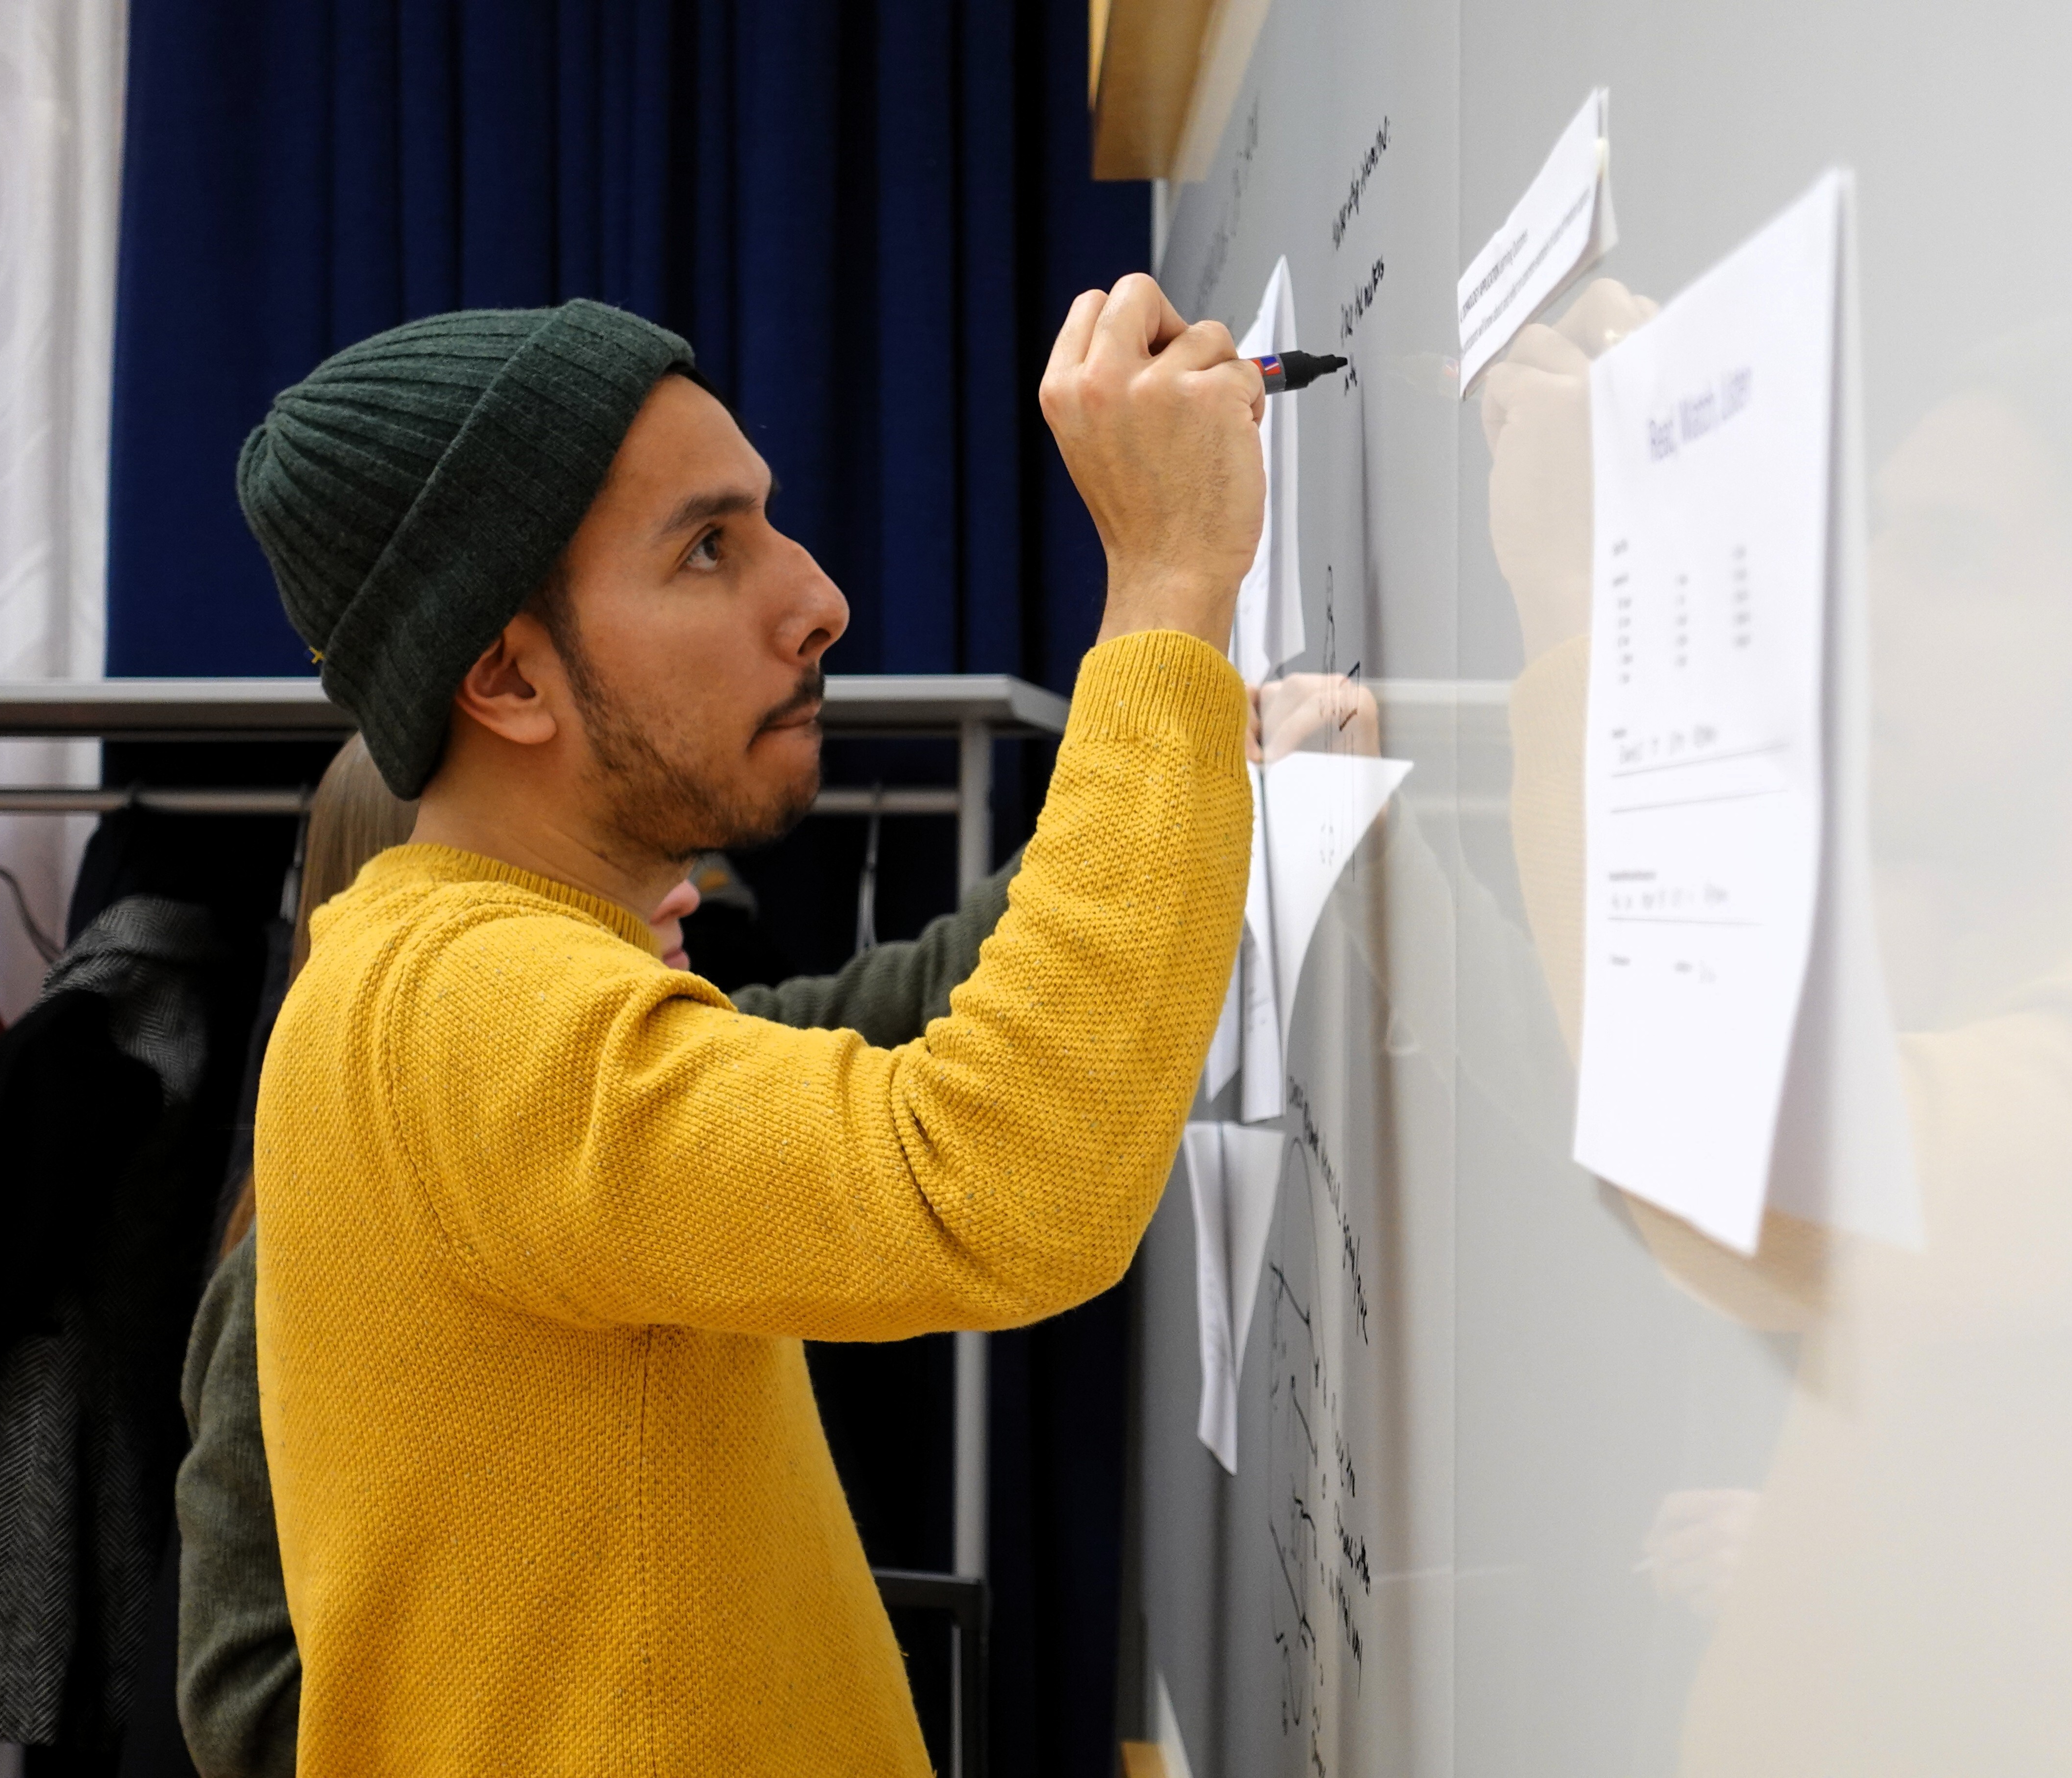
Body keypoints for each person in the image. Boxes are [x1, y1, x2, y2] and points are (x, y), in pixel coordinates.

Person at [231, 283, 1262, 1772]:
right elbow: (999, 1188)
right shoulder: (469, 1007)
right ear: (508, 676)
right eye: (709, 547)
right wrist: (1167, 584)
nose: (820, 596)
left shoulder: (448, 975)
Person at [1484, 284, 2072, 1774]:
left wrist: (1605, 610)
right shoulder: (2029, 954)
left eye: (1958, 557)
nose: (1859, 595)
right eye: (1882, 530)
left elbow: (1770, 1205)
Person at [175, 734, 1026, 1778]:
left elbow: (908, 998)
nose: (681, 894)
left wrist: (1170, 738)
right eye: (567, 865)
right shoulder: (291, 1262)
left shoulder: (609, 1092)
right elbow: (242, 1690)